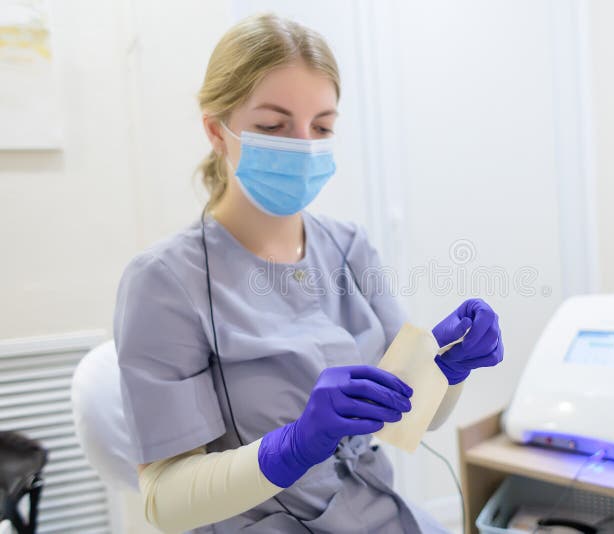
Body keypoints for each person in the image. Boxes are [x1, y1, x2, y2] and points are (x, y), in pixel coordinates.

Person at [114, 13, 504, 533]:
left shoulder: (349, 249)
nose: (302, 145)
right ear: (216, 130)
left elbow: (411, 417)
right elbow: (164, 501)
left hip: (380, 516)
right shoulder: (164, 283)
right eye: (273, 126)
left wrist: (446, 370)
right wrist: (292, 446)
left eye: (321, 127)